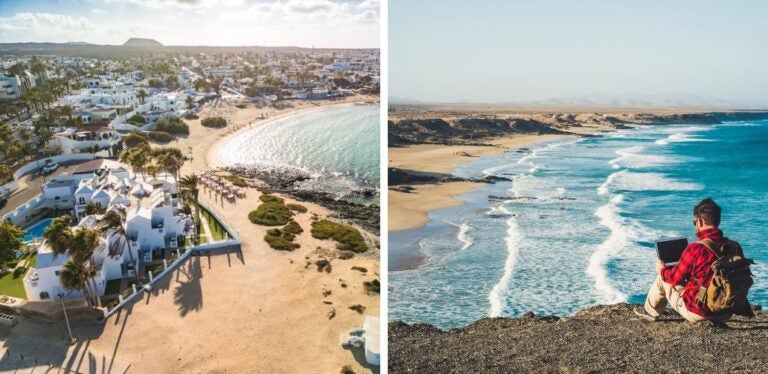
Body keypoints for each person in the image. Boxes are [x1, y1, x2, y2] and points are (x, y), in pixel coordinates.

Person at [642, 198, 753, 323]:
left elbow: (673, 279)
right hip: (726, 312)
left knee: (662, 279)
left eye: (694, 222)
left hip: (700, 313)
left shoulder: (696, 248)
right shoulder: (734, 246)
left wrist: (662, 270)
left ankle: (649, 312)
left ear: (700, 221)